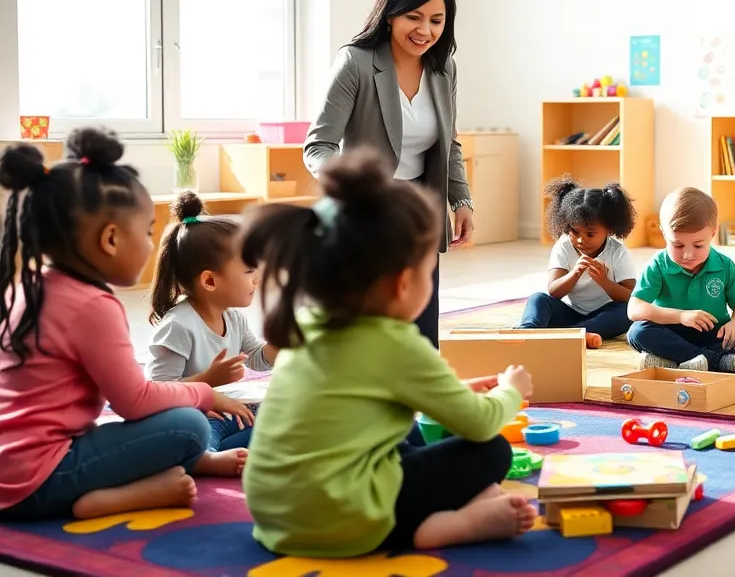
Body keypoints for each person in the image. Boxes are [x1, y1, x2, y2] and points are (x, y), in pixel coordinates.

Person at [240, 149, 534, 557]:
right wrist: (510, 390)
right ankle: (439, 527)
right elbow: (479, 424)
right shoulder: (396, 343)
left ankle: (432, 514)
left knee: (403, 431)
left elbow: (356, 400)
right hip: (346, 520)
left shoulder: (308, 325)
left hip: (275, 516)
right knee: (491, 451)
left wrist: (454, 389)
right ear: (401, 283)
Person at [0, 129, 254, 522]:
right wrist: (206, 393)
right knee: (188, 425)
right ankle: (105, 498)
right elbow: (134, 402)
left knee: (177, 421)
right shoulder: (93, 306)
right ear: (112, 239)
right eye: (149, 232)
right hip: (38, 482)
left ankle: (177, 468)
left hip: (13, 467)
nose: (154, 246)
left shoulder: (26, 287)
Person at [304, 0, 473, 350]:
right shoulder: (356, 62)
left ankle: (418, 401)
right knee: (369, 325)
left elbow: (450, 142)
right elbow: (319, 145)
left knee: (422, 324)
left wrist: (460, 200)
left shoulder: (444, 68)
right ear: (391, 14)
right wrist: (355, 191)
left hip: (419, 210)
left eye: (436, 20)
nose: (425, 30)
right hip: (367, 211)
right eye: (414, 16)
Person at [146, 191, 277, 463]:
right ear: (210, 281)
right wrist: (208, 380)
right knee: (194, 433)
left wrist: (281, 341)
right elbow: (156, 392)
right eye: (249, 271)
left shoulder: (233, 318)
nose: (257, 278)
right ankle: (206, 459)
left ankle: (235, 449)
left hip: (231, 409)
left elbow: (257, 359)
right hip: (195, 414)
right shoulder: (178, 326)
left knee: (287, 410)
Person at [626, 188, 735, 373]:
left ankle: (674, 361)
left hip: (711, 333)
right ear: (664, 233)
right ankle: (709, 360)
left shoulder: (725, 265)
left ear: (713, 233)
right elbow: (634, 308)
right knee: (637, 332)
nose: (687, 254)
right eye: (677, 245)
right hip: (670, 333)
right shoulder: (657, 264)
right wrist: (680, 316)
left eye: (698, 245)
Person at [520, 175, 637, 340]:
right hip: (571, 314)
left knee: (627, 312)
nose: (582, 240)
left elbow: (631, 297)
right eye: (575, 232)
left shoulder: (618, 252)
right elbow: (554, 292)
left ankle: (570, 334)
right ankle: (527, 332)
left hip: (604, 316)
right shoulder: (564, 246)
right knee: (538, 299)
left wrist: (604, 281)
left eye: (591, 234)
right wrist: (575, 273)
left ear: (609, 230)